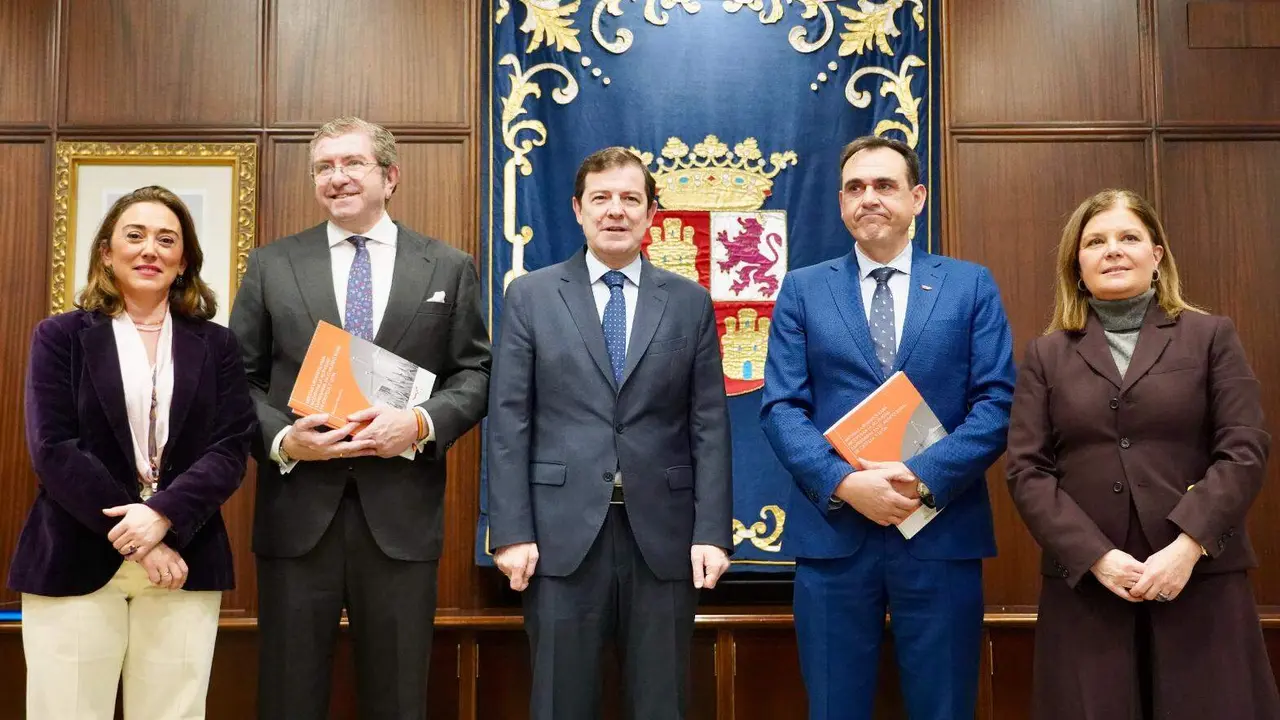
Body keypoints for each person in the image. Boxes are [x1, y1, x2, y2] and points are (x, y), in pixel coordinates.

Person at [229, 116, 491, 720]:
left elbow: (475, 374)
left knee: (399, 698)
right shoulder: (273, 264)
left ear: (389, 176)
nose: (337, 178)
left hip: (401, 518)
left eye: (352, 164)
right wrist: (284, 440)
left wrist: (420, 423)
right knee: (288, 696)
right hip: (296, 519)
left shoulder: (447, 267)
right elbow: (236, 380)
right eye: (324, 167)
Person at [760, 136, 1016, 720]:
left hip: (940, 528)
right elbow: (780, 408)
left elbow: (997, 403)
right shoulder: (803, 289)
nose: (867, 198)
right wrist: (846, 484)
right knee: (833, 706)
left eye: (884, 185)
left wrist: (919, 475)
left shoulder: (968, 284)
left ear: (917, 197)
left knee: (944, 705)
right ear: (840, 203)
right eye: (854, 188)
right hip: (834, 537)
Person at [1005, 188, 1280, 719]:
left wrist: (1189, 545)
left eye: (1128, 237)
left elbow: (1244, 448)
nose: (1112, 250)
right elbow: (1027, 470)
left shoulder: (1210, 336)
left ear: (1156, 256)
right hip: (1088, 587)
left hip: (1199, 578)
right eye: (1096, 241)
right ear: (1077, 264)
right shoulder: (1046, 354)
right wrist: (1096, 558)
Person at [486, 146, 733, 720]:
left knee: (661, 702)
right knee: (559, 702)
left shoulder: (691, 301)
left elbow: (710, 424)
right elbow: (509, 421)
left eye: (630, 199)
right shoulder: (531, 295)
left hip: (664, 538)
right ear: (578, 209)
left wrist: (712, 532)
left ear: (651, 215)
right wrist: (511, 532)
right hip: (557, 535)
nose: (615, 211)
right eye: (601, 199)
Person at [10, 185, 255, 719]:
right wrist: (142, 538)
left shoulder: (217, 345)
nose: (151, 250)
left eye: (167, 239)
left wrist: (164, 515)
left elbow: (231, 448)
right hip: (75, 554)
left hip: (185, 557)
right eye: (135, 235)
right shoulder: (60, 336)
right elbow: (54, 448)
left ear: (184, 259)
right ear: (106, 251)